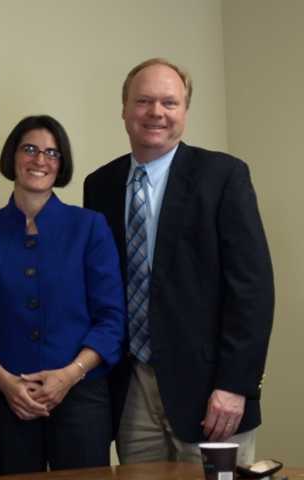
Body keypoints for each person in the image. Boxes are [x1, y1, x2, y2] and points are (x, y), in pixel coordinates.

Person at [83, 58, 274, 465]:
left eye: (170, 102)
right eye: (144, 101)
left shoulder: (223, 176)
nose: (156, 113)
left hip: (213, 396)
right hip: (132, 392)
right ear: (124, 108)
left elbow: (252, 290)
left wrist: (235, 385)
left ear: (185, 110)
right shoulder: (99, 185)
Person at [0, 115, 125, 475]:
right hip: (10, 399)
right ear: (13, 156)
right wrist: (4, 382)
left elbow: (112, 319)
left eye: (52, 153)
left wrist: (69, 375)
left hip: (82, 397)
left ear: (62, 164)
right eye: (31, 149)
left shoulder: (89, 226)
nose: (40, 160)